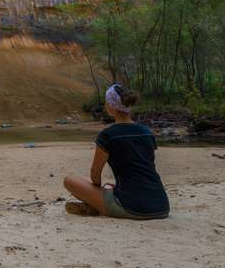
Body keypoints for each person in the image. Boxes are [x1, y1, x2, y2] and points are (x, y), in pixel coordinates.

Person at [62, 84, 170, 219]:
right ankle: (98, 204)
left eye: (106, 102)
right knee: (110, 187)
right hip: (162, 205)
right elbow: (141, 168)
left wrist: (99, 191)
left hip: (132, 206)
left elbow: (95, 174)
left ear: (111, 106)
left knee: (69, 180)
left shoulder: (108, 135)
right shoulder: (147, 132)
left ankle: (97, 205)